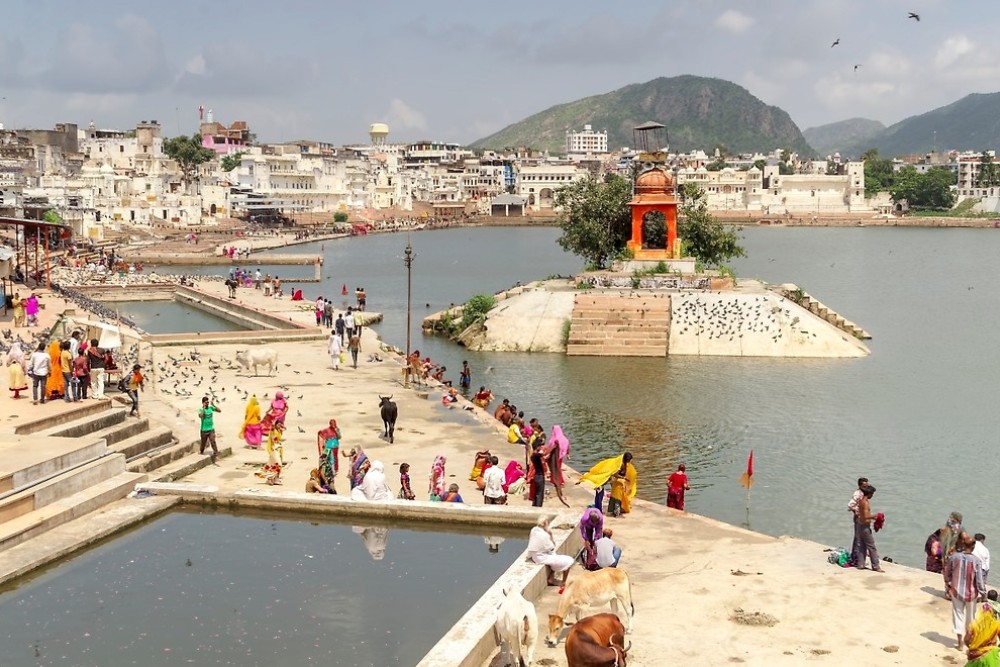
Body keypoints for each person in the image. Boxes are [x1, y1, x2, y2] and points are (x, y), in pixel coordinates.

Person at [946, 533, 987, 651]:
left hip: (956, 592)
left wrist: (949, 585)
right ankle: (969, 642)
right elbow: (979, 580)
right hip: (971, 593)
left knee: (958, 616)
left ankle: (959, 644)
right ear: (973, 547)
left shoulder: (954, 557)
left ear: (963, 545)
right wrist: (983, 593)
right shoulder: (976, 561)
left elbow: (947, 572)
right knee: (971, 618)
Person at [527, 516, 574, 593]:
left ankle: (551, 578)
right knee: (568, 561)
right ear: (544, 523)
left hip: (535, 555)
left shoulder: (534, 530)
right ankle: (564, 582)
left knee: (554, 556)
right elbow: (551, 547)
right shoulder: (544, 535)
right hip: (541, 557)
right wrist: (550, 536)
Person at [855, 485, 884, 572]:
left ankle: (861, 564)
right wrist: (874, 516)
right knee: (872, 547)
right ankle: (876, 566)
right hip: (864, 527)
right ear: (869, 493)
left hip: (860, 525)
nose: (873, 495)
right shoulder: (865, 503)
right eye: (872, 494)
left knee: (862, 546)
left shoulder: (860, 501)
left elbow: (860, 514)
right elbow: (865, 516)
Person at [942, 512, 966, 595]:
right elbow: (965, 538)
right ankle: (953, 592)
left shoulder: (947, 526)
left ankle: (948, 592)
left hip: (946, 554)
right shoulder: (959, 527)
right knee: (955, 574)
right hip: (954, 554)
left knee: (947, 573)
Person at [848, 477, 869, 567]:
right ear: (860, 485)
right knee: (858, 538)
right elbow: (850, 505)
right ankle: (855, 558)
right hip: (858, 518)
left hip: (862, 518)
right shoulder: (857, 493)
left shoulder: (864, 493)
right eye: (864, 485)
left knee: (860, 538)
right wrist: (857, 512)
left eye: (866, 485)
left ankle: (857, 557)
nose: (866, 487)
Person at [198, 396, 221, 465]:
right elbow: (200, 416)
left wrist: (213, 405)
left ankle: (216, 454)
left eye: (208, 402)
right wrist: (203, 409)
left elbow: (219, 411)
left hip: (211, 429)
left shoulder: (211, 408)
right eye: (206, 402)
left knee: (213, 441)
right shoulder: (200, 409)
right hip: (204, 430)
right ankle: (201, 451)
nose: (207, 403)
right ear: (203, 403)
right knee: (203, 443)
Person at [528, 440, 547, 507]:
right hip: (539, 477)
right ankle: (538, 508)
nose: (541, 447)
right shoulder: (536, 455)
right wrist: (553, 447)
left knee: (536, 494)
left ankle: (534, 507)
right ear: (537, 447)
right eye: (540, 446)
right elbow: (545, 454)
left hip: (536, 476)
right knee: (539, 494)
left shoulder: (533, 455)